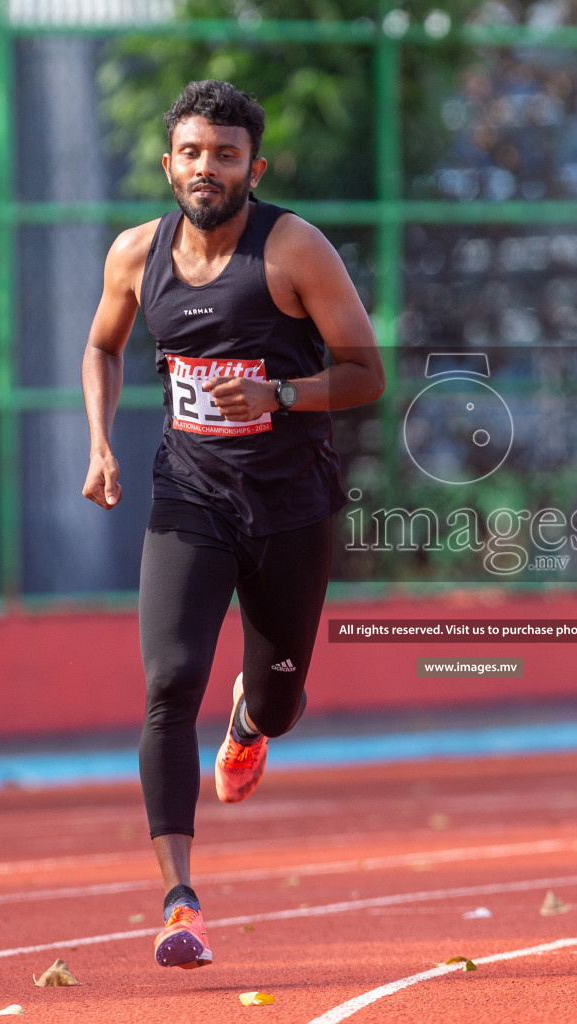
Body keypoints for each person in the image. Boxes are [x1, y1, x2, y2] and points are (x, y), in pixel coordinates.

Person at [80, 80, 385, 969]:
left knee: (281, 698)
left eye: (223, 154)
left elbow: (367, 372)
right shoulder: (138, 254)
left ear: (256, 164)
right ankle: (180, 899)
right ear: (168, 163)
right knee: (170, 682)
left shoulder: (293, 250)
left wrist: (282, 392)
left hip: (290, 506)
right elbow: (103, 344)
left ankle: (252, 719)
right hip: (190, 495)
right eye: (190, 153)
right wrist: (100, 443)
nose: (205, 168)